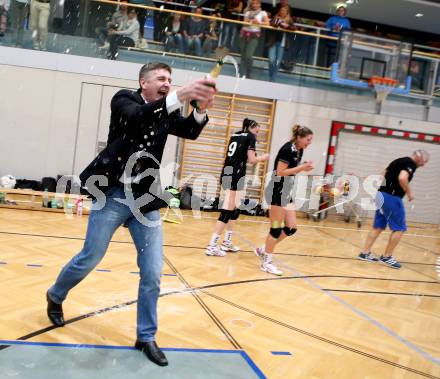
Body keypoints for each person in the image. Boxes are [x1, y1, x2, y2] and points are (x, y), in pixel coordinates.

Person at [46, 62, 216, 367]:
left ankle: (146, 336)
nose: (167, 83)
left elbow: (189, 131)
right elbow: (139, 117)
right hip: (111, 194)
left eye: (171, 80)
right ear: (143, 82)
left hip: (145, 200)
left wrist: (200, 108)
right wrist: (181, 94)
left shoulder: (168, 111)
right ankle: (56, 295)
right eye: (161, 79)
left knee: (152, 272)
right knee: (90, 258)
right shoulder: (124, 100)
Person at [206, 118, 269, 256]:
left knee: (235, 209)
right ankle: (211, 245)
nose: (257, 134)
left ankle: (227, 242)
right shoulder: (250, 137)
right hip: (235, 174)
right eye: (256, 131)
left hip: (229, 172)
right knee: (227, 211)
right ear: (250, 128)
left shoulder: (235, 135)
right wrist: (263, 158)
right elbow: (252, 159)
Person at [256, 125, 314, 275]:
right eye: (308, 140)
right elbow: (280, 172)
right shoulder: (287, 149)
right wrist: (301, 168)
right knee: (275, 228)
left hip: (286, 192)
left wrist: (302, 166)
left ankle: (263, 249)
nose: (309, 143)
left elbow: (291, 170)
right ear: (299, 138)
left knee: (291, 227)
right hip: (277, 191)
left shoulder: (299, 150)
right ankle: (266, 263)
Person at [358, 150, 429, 269]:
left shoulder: (398, 160)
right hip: (392, 197)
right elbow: (402, 178)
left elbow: (382, 175)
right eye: (424, 161)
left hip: (380, 195)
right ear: (418, 157)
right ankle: (387, 256)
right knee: (399, 228)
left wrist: (369, 179)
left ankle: (364, 253)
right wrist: (409, 193)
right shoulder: (410, 163)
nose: (423, 164)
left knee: (378, 227)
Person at [239, 0, 269, 79]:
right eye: (253, 4)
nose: (255, 5)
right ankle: (241, 74)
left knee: (249, 55)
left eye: (257, 3)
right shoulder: (248, 12)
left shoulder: (263, 13)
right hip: (244, 34)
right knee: (243, 55)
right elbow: (244, 23)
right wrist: (249, 21)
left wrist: (259, 22)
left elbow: (267, 23)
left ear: (260, 4)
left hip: (254, 35)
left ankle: (248, 74)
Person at [266, 6, 294, 82]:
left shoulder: (289, 20)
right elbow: (270, 24)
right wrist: (277, 24)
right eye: (281, 10)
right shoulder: (276, 18)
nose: (282, 12)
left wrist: (287, 26)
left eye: (284, 11)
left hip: (282, 43)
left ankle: (273, 79)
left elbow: (294, 28)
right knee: (271, 60)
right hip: (273, 41)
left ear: (287, 13)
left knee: (278, 61)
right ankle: (271, 76)